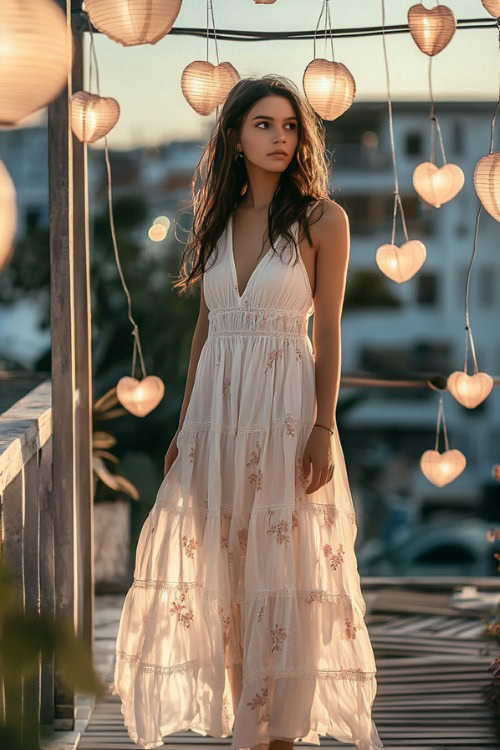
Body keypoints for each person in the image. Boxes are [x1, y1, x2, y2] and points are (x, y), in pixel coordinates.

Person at [111, 74, 383, 750]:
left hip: (285, 413)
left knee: (286, 578)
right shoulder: (216, 218)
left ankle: (283, 737)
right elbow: (206, 329)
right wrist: (182, 428)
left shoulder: (324, 219)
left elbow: (329, 333)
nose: (280, 138)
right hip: (215, 416)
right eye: (264, 125)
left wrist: (324, 428)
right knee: (227, 574)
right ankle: (246, 733)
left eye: (290, 127)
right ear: (234, 134)